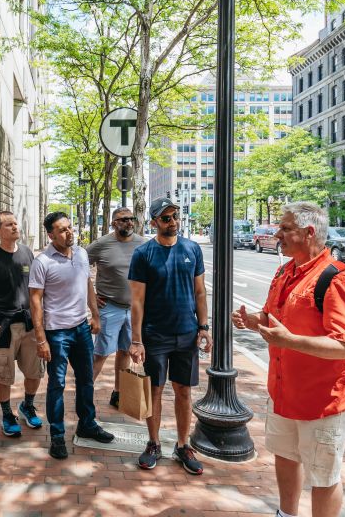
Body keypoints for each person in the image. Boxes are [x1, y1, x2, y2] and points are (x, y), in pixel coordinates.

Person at [231, 202, 345, 517]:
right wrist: (251, 320)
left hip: (324, 399)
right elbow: (271, 316)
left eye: (285, 228)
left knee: (323, 474)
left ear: (308, 233)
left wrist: (290, 341)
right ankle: (286, 513)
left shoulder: (337, 278)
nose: (277, 233)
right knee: (286, 455)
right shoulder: (285, 271)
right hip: (284, 392)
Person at [128, 197, 211, 475]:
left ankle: (182, 444)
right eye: (165, 218)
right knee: (155, 390)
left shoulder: (192, 249)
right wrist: (136, 340)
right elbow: (137, 301)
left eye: (175, 216)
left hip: (187, 334)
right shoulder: (143, 254)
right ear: (154, 222)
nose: (172, 221)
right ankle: (153, 443)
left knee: (184, 391)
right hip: (155, 335)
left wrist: (204, 327)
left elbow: (200, 292)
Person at [29, 212, 114, 459]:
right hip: (56, 332)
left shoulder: (81, 253)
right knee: (57, 384)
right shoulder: (42, 262)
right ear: (51, 234)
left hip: (81, 329)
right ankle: (57, 436)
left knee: (86, 380)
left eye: (70, 227)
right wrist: (41, 339)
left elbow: (88, 284)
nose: (69, 232)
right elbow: (35, 301)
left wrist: (95, 315)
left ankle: (87, 423)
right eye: (62, 229)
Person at [0, 211, 44, 437]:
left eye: (15, 223)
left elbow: (36, 289)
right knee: (3, 374)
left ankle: (27, 405)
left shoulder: (27, 253)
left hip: (29, 324)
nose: (15, 227)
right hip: (1, 325)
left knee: (35, 372)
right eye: (9, 225)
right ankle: (7, 413)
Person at [86, 207, 146, 409]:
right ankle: (84, 395)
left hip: (135, 310)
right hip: (110, 308)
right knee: (100, 354)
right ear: (113, 223)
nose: (129, 223)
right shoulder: (102, 244)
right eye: (123, 220)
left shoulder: (142, 243)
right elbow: (78, 267)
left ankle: (118, 393)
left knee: (125, 351)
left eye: (131, 219)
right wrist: (91, 296)